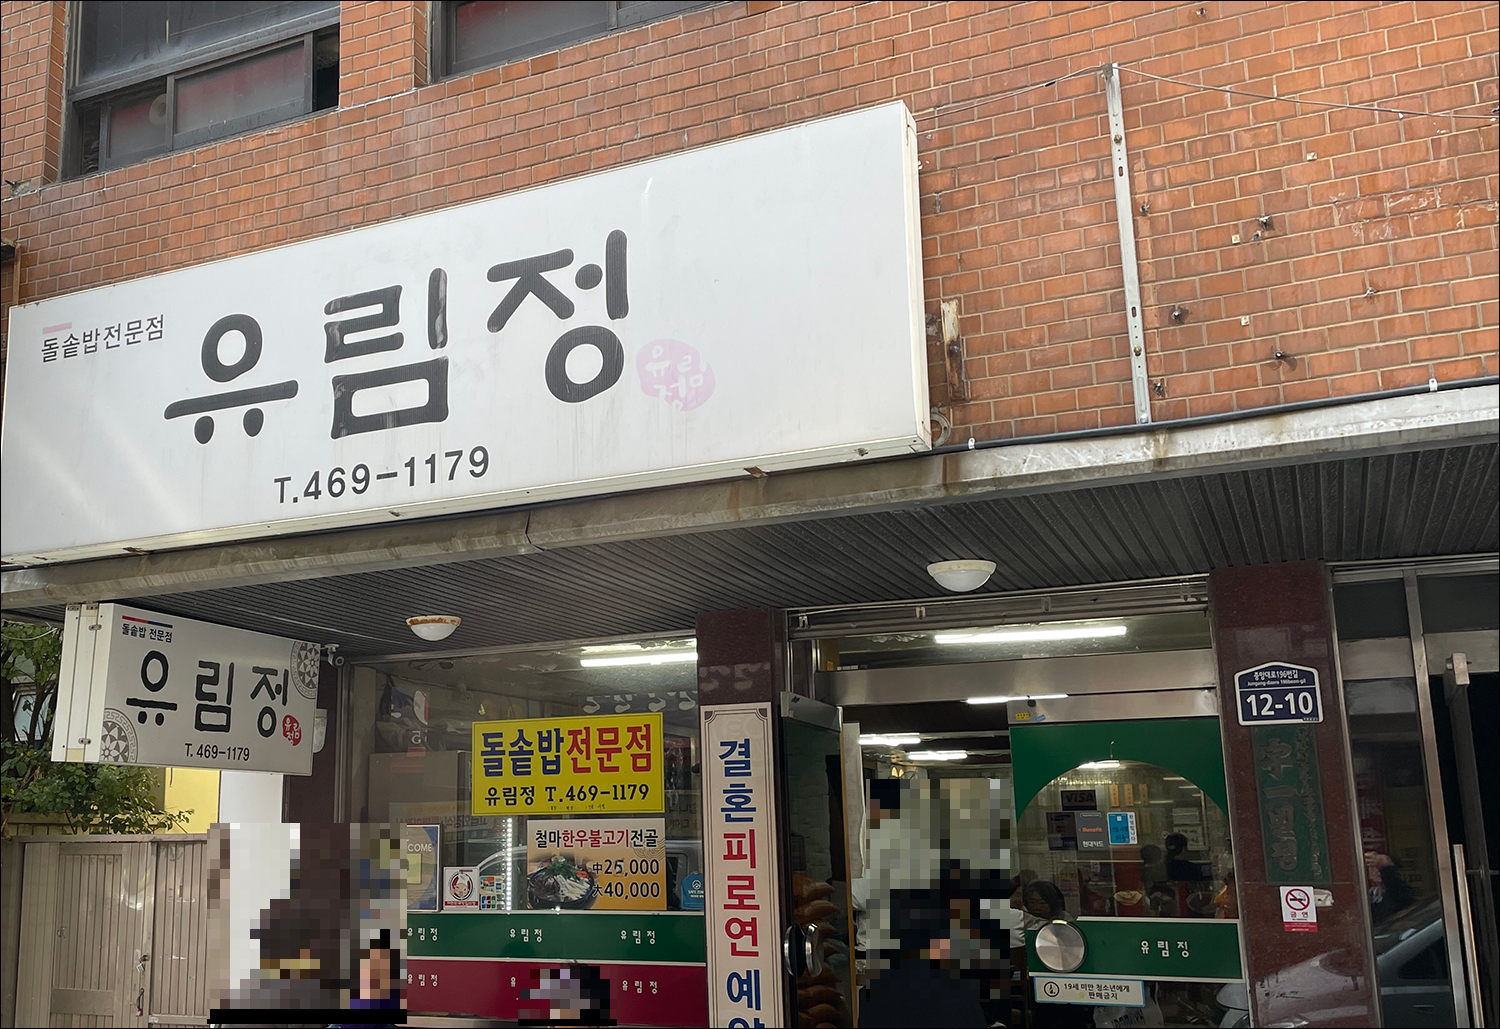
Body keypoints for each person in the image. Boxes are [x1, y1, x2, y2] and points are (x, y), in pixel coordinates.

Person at [1365, 851, 1414, 927]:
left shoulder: (1399, 893)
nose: (1378, 872)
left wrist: (1386, 864)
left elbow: (1394, 885)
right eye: (1373, 868)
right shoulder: (1368, 896)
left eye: (1381, 868)